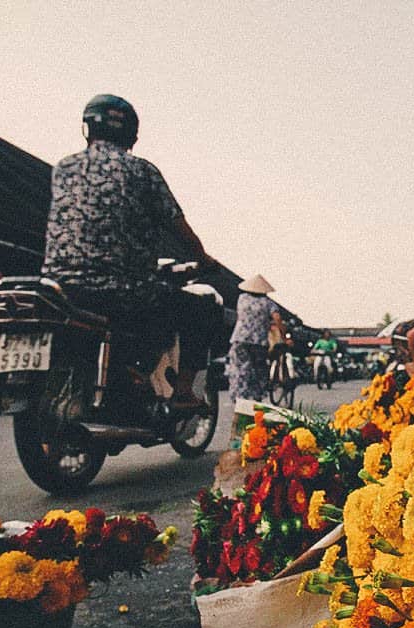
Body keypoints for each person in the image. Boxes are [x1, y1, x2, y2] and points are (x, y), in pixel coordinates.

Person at [41, 93, 220, 406]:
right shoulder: (141, 171)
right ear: (131, 135)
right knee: (200, 307)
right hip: (122, 288)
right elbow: (178, 226)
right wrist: (203, 259)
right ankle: (182, 392)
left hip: (60, 287)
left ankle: (128, 374)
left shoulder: (63, 168)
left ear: (87, 128)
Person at [227, 273, 280, 403]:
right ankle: (256, 398)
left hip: (240, 339)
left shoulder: (242, 298)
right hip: (259, 343)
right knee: (259, 371)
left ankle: (239, 398)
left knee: (240, 369)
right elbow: (277, 319)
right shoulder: (269, 303)